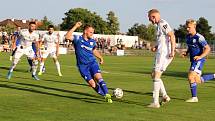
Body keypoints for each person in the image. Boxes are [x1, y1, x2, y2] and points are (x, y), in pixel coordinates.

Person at [65, 22, 112, 103]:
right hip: (82, 66)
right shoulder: (78, 39)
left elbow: (94, 50)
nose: (92, 34)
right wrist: (76, 26)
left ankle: (107, 94)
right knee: (93, 84)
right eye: (91, 32)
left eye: (93, 32)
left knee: (99, 78)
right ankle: (104, 95)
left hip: (92, 63)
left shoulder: (92, 41)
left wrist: (100, 57)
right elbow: (67, 36)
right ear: (85, 31)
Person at [147, 9, 176, 108]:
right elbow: (163, 40)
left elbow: (172, 35)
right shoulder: (158, 26)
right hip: (160, 53)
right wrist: (156, 46)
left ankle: (155, 102)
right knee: (154, 74)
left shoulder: (162, 23)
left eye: (150, 18)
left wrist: (172, 50)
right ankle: (164, 96)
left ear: (153, 16)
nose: (150, 21)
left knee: (156, 75)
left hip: (164, 54)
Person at [183, 19, 215, 103]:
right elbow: (190, 47)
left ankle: (194, 98)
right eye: (186, 27)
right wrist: (186, 53)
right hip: (193, 61)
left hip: (199, 60)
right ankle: (214, 76)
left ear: (194, 26)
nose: (187, 29)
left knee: (190, 76)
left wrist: (200, 56)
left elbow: (208, 48)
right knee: (197, 80)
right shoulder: (188, 37)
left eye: (189, 27)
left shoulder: (199, 37)